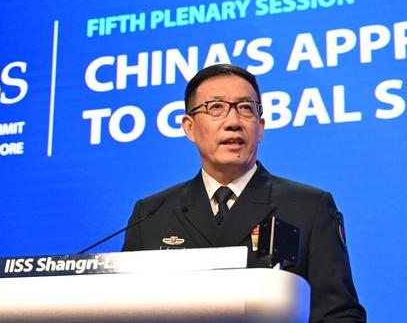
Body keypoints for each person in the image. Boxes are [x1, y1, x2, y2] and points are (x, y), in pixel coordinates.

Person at [122, 63, 366, 322]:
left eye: (245, 108)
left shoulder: (308, 207)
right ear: (189, 127)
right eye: (215, 108)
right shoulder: (151, 215)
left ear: (259, 128)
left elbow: (339, 315)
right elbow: (123, 310)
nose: (233, 122)